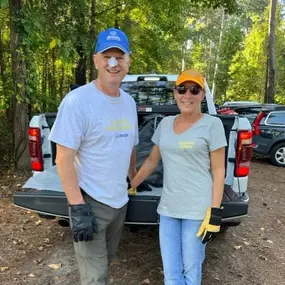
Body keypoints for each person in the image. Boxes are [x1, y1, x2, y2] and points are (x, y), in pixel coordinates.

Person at [48, 28, 138, 285]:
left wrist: (133, 179)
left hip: (119, 202)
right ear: (96, 60)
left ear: (128, 61)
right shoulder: (78, 101)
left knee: (106, 263)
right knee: (95, 277)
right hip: (90, 202)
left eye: (119, 57)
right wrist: (77, 207)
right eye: (107, 56)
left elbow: (131, 145)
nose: (113, 63)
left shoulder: (129, 103)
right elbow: (63, 158)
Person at [130, 69, 227, 285]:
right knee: (171, 274)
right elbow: (152, 162)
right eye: (182, 89)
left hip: (197, 211)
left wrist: (215, 212)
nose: (188, 95)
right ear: (175, 93)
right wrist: (131, 184)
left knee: (191, 274)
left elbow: (219, 170)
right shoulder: (165, 124)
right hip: (168, 210)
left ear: (202, 94)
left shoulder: (213, 125)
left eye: (194, 90)